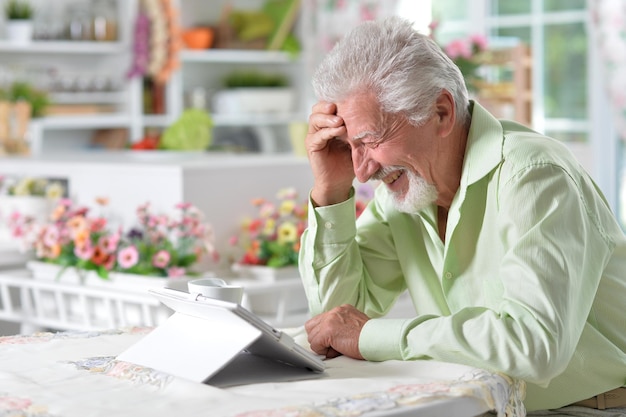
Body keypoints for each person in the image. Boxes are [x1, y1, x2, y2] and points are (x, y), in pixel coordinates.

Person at [299, 15, 626, 414]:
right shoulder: (404, 195)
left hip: (586, 409)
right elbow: (336, 322)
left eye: (370, 140)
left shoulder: (535, 175)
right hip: (480, 405)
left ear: (441, 112)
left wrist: (371, 336)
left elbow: (533, 345)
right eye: (350, 145)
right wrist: (331, 193)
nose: (362, 170)